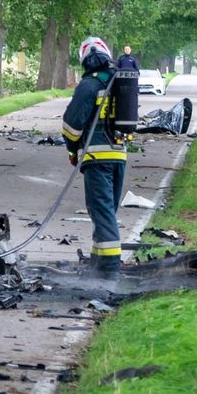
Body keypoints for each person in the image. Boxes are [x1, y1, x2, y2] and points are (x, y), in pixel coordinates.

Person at [62, 36, 127, 275]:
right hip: (119, 154)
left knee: (101, 211)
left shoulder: (89, 85)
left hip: (96, 158)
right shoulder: (120, 82)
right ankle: (98, 263)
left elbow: (71, 124)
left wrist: (71, 148)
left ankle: (109, 271)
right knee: (107, 210)